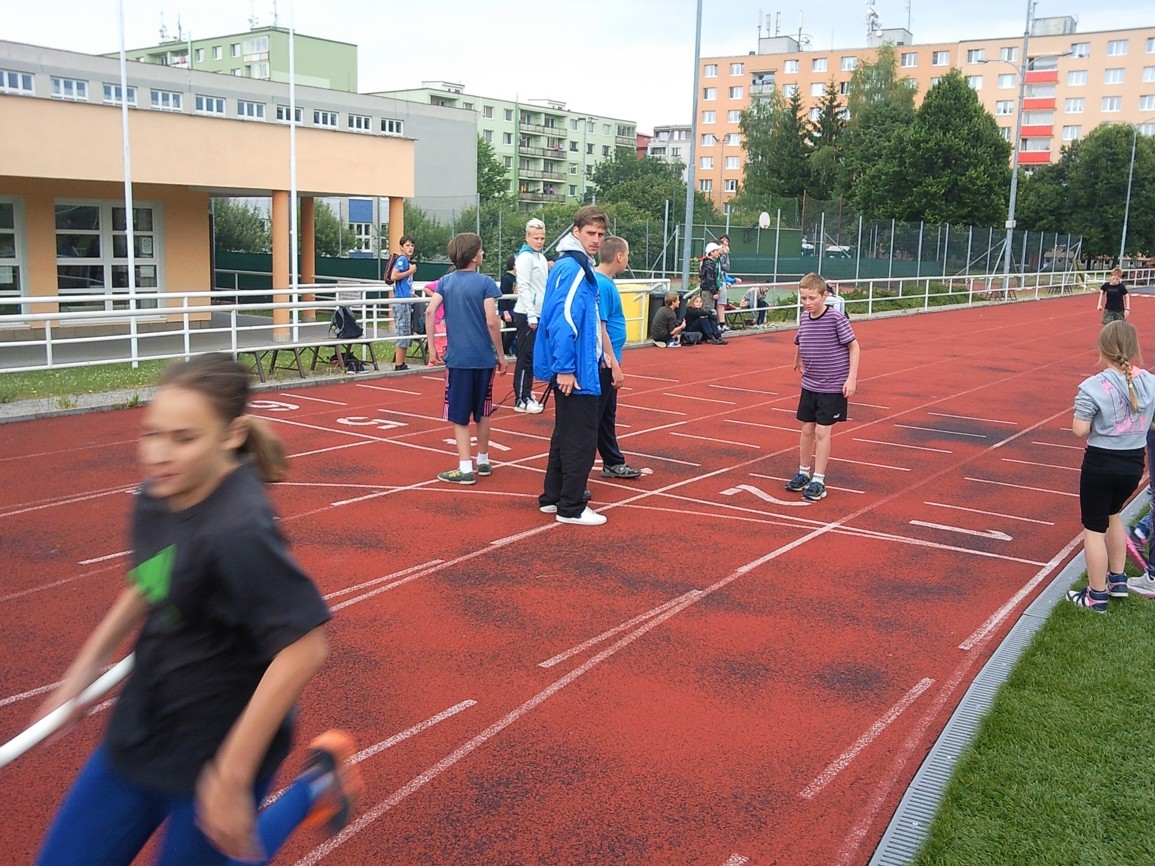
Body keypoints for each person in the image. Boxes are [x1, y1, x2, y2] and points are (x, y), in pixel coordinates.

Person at [32, 353, 361, 866]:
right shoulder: (157, 495)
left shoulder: (239, 529)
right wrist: (81, 672)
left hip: (220, 744)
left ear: (231, 435)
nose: (158, 455)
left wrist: (231, 775)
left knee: (226, 846)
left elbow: (305, 647)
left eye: (184, 439)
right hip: (146, 723)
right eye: (151, 434)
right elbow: (150, 579)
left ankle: (316, 787)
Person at [1068, 321, 1155, 611]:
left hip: (1101, 464)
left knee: (1094, 528)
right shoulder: (1150, 382)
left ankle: (1096, 595)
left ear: (1102, 349)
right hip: (1133, 464)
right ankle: (1118, 580)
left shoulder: (1093, 386)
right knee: (1114, 514)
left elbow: (1079, 429)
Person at [534, 205, 608, 526]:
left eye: (600, 234)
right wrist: (565, 367)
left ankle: (553, 497)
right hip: (578, 371)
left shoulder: (569, 264)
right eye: (590, 233)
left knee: (565, 434)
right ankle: (572, 507)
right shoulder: (575, 268)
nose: (596, 239)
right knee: (581, 437)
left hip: (577, 365)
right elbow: (563, 319)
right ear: (576, 231)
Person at [425, 233, 507, 485]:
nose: (483, 253)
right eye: (481, 250)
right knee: (483, 411)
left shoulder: (446, 282)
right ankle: (483, 460)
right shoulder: (486, 283)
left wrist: (432, 348)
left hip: (458, 359)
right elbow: (491, 321)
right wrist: (501, 355)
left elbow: (430, 310)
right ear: (473, 256)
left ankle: (464, 467)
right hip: (483, 358)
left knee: (459, 414)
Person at [784, 272, 860, 502]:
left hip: (832, 385)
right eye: (803, 298)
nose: (807, 302)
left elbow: (854, 347)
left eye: (812, 298)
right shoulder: (804, 317)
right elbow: (801, 339)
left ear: (825, 295)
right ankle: (803, 473)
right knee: (807, 429)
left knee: (822, 431)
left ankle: (818, 480)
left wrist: (851, 379)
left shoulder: (836, 318)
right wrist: (798, 358)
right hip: (810, 383)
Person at [595, 236, 642, 480]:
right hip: (604, 362)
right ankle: (576, 475)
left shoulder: (606, 282)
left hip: (609, 359)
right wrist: (613, 365)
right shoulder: (602, 285)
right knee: (596, 417)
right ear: (619, 256)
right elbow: (601, 328)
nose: (628, 259)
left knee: (605, 415)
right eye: (628, 255)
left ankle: (612, 462)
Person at [512, 218, 549, 413]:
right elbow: (524, 286)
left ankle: (527, 393)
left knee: (533, 357)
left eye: (542, 238)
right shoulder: (525, 258)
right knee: (525, 357)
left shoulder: (540, 258)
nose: (539, 241)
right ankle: (520, 398)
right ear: (527, 237)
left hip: (539, 313)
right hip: (527, 314)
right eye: (536, 238)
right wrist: (531, 314)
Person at [389, 235, 418, 371]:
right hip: (402, 301)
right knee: (403, 330)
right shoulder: (402, 260)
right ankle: (399, 364)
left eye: (412, 245)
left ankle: (402, 362)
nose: (410, 248)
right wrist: (410, 271)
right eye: (407, 245)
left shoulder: (406, 261)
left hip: (406, 299)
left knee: (406, 330)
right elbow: (394, 276)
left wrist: (411, 294)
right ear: (401, 247)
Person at [717, 234, 742, 327]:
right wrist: (724, 254)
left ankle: (721, 324)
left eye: (727, 241)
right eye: (723, 241)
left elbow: (725, 270)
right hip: (717, 282)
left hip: (722, 281)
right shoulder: (717, 254)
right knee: (717, 304)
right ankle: (717, 324)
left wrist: (732, 280)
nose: (725, 243)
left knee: (721, 304)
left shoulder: (725, 254)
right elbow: (721, 266)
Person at [497, 255, 517, 357]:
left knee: (514, 331)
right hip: (508, 309)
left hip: (515, 308)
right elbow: (503, 295)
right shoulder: (507, 278)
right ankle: (504, 351)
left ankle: (509, 351)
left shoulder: (517, 278)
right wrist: (505, 311)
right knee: (511, 331)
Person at [698, 242, 723, 319]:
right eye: (716, 251)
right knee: (707, 311)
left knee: (709, 310)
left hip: (707, 290)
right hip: (708, 291)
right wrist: (714, 292)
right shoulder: (709, 263)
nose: (718, 252)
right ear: (711, 252)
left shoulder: (708, 262)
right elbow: (710, 279)